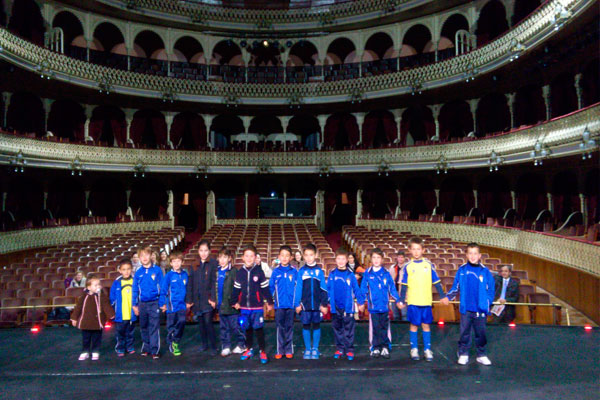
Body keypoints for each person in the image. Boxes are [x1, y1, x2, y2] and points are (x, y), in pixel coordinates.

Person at [398, 237, 449, 362]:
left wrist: (442, 296)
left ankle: (427, 349)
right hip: (413, 301)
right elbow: (404, 285)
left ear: (423, 250)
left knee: (426, 325)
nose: (416, 252)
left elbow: (437, 282)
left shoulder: (429, 265)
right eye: (414, 249)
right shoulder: (407, 266)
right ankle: (414, 348)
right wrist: (401, 300)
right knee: (414, 325)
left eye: (418, 249)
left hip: (426, 301)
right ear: (410, 250)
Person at [447, 243, 495, 366]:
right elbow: (455, 287)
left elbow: (491, 290)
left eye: (475, 253)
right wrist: (448, 297)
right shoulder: (462, 270)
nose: (473, 256)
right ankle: (463, 353)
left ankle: (481, 354)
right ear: (467, 255)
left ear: (479, 256)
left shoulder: (485, 271)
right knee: (464, 333)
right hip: (466, 309)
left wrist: (486, 303)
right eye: (470, 253)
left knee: (481, 333)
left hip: (480, 309)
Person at [230, 244, 274, 364]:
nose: (249, 258)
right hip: (244, 307)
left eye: (251, 256)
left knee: (258, 329)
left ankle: (262, 351)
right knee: (247, 329)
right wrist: (234, 302)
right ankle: (249, 349)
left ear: (255, 258)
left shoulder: (259, 272)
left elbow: (265, 289)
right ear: (243, 258)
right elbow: (236, 289)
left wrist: (269, 302)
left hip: (257, 307)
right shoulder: (240, 273)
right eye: (247, 256)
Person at [359, 248, 403, 359]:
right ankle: (375, 347)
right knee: (375, 328)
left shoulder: (386, 274)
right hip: (373, 308)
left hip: (384, 307)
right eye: (374, 257)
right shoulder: (367, 274)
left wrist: (398, 300)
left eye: (378, 257)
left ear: (382, 259)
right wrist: (360, 302)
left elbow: (392, 289)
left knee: (384, 327)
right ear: (371, 259)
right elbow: (363, 289)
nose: (376, 260)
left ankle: (385, 347)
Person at [327, 248, 364, 361]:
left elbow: (356, 289)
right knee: (337, 329)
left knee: (348, 329)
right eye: (339, 259)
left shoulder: (351, 275)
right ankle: (339, 348)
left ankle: (349, 349)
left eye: (343, 259)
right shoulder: (332, 274)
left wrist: (361, 302)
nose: (341, 261)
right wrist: (327, 303)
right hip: (335, 307)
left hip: (348, 308)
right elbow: (328, 290)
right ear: (336, 260)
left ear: (347, 260)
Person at [294, 243, 329, 360]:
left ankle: (315, 349)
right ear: (303, 256)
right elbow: (298, 288)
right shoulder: (301, 271)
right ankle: (308, 349)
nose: (309, 258)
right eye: (306, 255)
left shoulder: (319, 271)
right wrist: (297, 304)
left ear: (315, 255)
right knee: (306, 326)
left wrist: (324, 304)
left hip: (318, 306)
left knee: (317, 326)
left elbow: (324, 289)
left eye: (311, 255)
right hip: (305, 306)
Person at [186, 239, 218, 355]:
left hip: (208, 299)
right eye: (201, 250)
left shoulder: (213, 263)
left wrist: (213, 298)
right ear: (198, 251)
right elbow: (190, 284)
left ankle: (214, 346)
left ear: (209, 251)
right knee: (201, 324)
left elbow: (214, 282)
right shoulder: (194, 265)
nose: (203, 253)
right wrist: (189, 300)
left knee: (208, 322)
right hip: (197, 300)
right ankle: (204, 345)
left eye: (206, 250)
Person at [70, 276, 115, 361]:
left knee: (96, 338)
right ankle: (85, 351)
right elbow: (78, 308)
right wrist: (74, 318)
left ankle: (95, 351)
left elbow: (106, 306)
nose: (98, 286)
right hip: (86, 322)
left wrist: (111, 314)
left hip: (97, 322)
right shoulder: (83, 296)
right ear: (89, 287)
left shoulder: (101, 296)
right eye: (95, 285)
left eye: (99, 284)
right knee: (86, 338)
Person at [132, 246, 163, 359]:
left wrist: (162, 302)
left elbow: (162, 287)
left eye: (146, 255)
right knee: (143, 326)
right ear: (139, 258)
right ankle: (146, 347)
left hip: (154, 302)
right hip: (142, 304)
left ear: (151, 255)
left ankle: (155, 350)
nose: (144, 258)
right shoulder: (138, 272)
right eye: (142, 255)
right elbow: (135, 289)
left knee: (154, 326)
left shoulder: (157, 270)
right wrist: (134, 305)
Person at [269, 245, 298, 359]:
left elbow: (297, 288)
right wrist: (270, 302)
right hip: (279, 306)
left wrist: (297, 303)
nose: (285, 258)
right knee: (280, 327)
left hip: (290, 306)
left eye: (287, 255)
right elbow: (271, 287)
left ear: (291, 257)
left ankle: (288, 349)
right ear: (279, 257)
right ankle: (280, 350)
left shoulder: (294, 272)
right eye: (282, 255)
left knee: (289, 327)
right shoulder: (275, 272)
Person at [159, 251, 191, 356]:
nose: (176, 263)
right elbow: (163, 290)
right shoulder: (168, 276)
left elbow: (188, 289)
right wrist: (162, 303)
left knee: (181, 322)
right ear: (171, 263)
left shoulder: (185, 274)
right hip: (171, 306)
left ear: (182, 262)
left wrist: (189, 301)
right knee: (171, 326)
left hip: (181, 305)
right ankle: (172, 343)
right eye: (174, 261)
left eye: (178, 261)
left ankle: (175, 341)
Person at [216, 247, 245, 357]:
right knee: (224, 328)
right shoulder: (217, 272)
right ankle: (226, 346)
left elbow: (239, 288)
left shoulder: (234, 271)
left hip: (232, 305)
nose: (222, 260)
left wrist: (237, 301)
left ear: (229, 259)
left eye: (225, 257)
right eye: (220, 257)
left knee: (236, 326)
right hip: (221, 305)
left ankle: (241, 344)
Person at [109, 259, 136, 357]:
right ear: (120, 270)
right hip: (120, 314)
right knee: (120, 332)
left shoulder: (134, 280)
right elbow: (112, 298)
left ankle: (129, 346)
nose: (126, 271)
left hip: (131, 313)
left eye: (128, 269)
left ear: (131, 269)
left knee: (130, 332)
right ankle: (120, 348)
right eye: (124, 269)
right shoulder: (116, 282)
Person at [391, 251, 407, 321]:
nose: (400, 259)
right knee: (395, 314)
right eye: (399, 257)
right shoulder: (392, 267)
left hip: (404, 292)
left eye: (402, 257)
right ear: (397, 258)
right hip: (394, 292)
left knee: (404, 314)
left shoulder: (407, 267)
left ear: (404, 258)